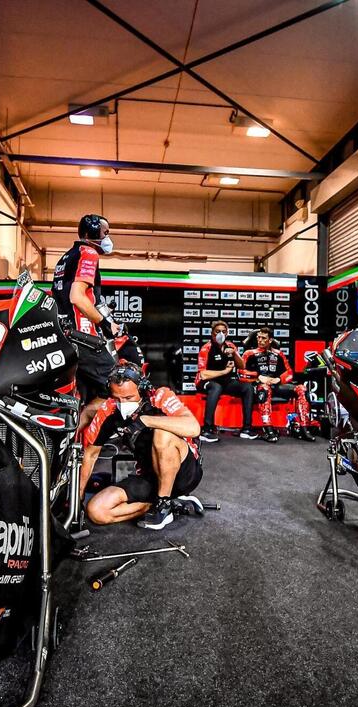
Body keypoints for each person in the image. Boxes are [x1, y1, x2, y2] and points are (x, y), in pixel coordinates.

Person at [81, 361, 203, 531]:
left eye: (128, 398)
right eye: (117, 398)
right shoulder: (109, 409)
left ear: (142, 389)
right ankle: (165, 505)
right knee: (96, 511)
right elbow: (90, 454)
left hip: (185, 474)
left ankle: (163, 504)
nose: (122, 404)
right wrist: (77, 499)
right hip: (149, 477)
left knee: (162, 433)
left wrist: (145, 421)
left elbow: (193, 428)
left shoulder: (160, 397)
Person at [51, 213, 119, 413]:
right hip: (83, 337)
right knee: (120, 385)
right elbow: (77, 297)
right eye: (105, 233)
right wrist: (105, 324)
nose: (107, 238)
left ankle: (79, 431)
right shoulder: (88, 253)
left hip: (65, 335)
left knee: (82, 396)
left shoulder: (66, 257)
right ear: (92, 233)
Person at [242, 328, 314, 443]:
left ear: (270, 340)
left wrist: (278, 379)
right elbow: (241, 372)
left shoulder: (278, 354)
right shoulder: (249, 353)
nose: (260, 340)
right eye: (258, 337)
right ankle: (268, 430)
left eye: (263, 338)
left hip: (276, 384)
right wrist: (258, 377)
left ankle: (304, 429)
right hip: (259, 385)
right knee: (264, 388)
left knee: (302, 389)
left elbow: (289, 373)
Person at [195, 320, 257, 442]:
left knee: (247, 387)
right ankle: (207, 430)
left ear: (227, 333)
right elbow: (203, 374)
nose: (220, 334)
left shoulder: (230, 346)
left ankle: (247, 429)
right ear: (212, 333)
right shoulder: (206, 348)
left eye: (223, 332)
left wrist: (234, 354)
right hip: (205, 382)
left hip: (224, 381)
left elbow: (242, 366)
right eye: (217, 331)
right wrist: (225, 371)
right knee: (216, 387)